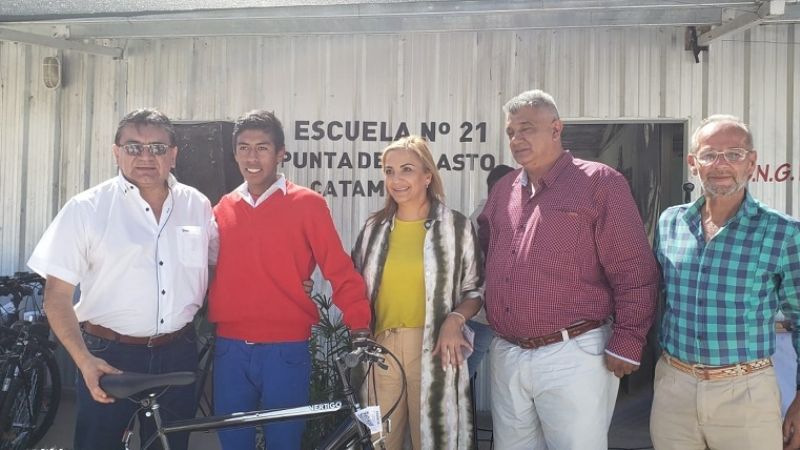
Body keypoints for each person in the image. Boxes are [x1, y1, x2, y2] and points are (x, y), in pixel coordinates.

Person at [478, 89, 659, 450]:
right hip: (508, 354)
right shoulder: (504, 191)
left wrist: (628, 339)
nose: (517, 139)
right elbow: (489, 256)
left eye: (527, 128)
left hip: (572, 353)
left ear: (556, 128)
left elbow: (634, 267)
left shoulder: (599, 183)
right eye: (511, 131)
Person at [27, 108, 212, 450]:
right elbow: (56, 297)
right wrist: (85, 361)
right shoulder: (86, 209)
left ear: (173, 155)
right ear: (116, 152)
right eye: (133, 147)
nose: (146, 157)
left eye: (157, 148)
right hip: (109, 356)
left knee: (170, 445)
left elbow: (220, 265)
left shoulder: (197, 205)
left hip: (179, 352)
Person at [208, 110, 371, 450]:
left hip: (285, 350)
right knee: (233, 444)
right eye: (244, 147)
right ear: (234, 152)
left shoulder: (307, 205)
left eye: (262, 147)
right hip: (230, 350)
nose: (252, 157)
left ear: (281, 153)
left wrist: (360, 326)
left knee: (285, 442)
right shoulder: (222, 208)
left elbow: (338, 269)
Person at [650, 114, 800, 450]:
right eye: (709, 154)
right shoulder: (670, 223)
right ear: (693, 163)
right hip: (675, 388)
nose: (721, 164)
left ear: (752, 163)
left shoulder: (783, 232)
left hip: (746, 392)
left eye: (733, 154)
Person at [351, 135, 483, 450]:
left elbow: (475, 291)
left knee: (437, 440)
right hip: (380, 351)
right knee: (378, 440)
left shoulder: (456, 227)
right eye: (389, 171)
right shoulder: (373, 229)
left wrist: (454, 319)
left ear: (427, 176)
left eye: (407, 169)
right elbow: (353, 286)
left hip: (436, 347)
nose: (396, 180)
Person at [467, 163, 514, 377]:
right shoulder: (481, 219)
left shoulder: (509, 214)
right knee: (464, 374)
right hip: (480, 312)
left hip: (496, 312)